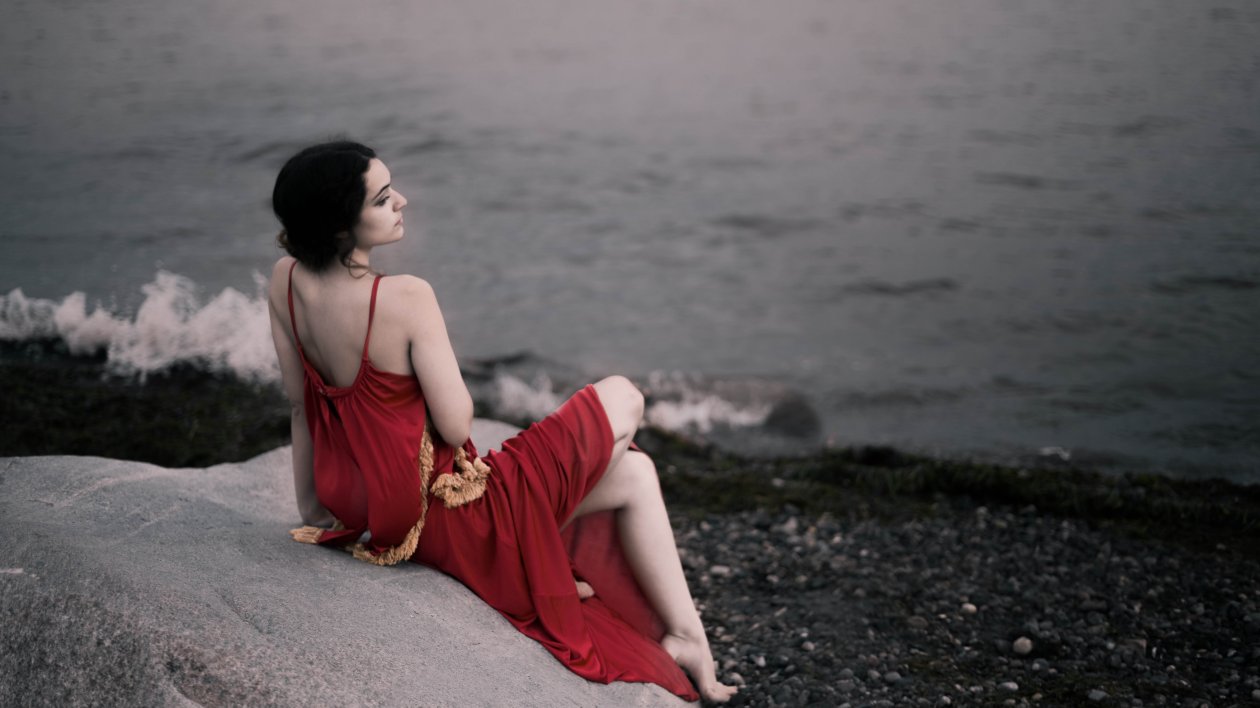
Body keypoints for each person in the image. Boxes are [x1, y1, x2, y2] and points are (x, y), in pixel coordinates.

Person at [267, 140, 737, 703]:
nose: (403, 202)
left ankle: (687, 637)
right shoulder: (405, 296)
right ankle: (538, 550)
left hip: (380, 511)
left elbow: (300, 406)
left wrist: (316, 512)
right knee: (624, 395)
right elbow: (455, 419)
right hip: (456, 512)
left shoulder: (284, 281)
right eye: (384, 198)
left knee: (637, 477)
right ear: (342, 226)